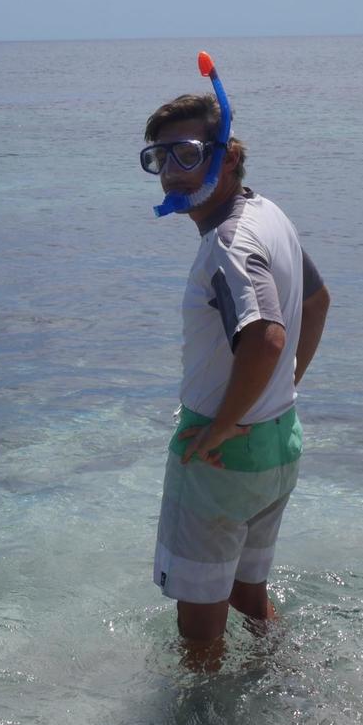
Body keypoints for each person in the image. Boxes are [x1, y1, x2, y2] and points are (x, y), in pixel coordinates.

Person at [141, 89, 330, 664]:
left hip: (222, 456)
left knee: (199, 629)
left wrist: (222, 427)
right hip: (278, 441)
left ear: (228, 157)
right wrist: (281, 390)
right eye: (159, 156)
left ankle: (202, 717)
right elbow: (317, 302)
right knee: (248, 595)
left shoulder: (227, 242)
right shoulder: (268, 213)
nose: (171, 171)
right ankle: (284, 678)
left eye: (187, 153)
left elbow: (266, 336)